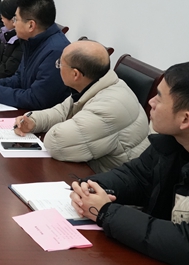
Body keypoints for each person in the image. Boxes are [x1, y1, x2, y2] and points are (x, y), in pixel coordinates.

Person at [70, 61, 189, 265]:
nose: (151, 102)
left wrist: (106, 212)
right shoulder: (175, 141)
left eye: (159, 97)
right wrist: (92, 188)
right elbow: (137, 175)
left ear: (185, 119)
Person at [14, 40, 150, 173]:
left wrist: (59, 126)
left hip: (115, 180)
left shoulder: (107, 107)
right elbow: (63, 111)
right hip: (97, 171)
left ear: (75, 74)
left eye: (60, 63)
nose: (58, 67)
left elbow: (56, 144)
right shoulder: (98, 84)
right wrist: (34, 120)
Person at [0, 0, 69, 110]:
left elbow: (37, 99)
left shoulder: (56, 52)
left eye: (16, 19)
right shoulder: (32, 41)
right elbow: (19, 78)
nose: (14, 24)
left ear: (31, 25)